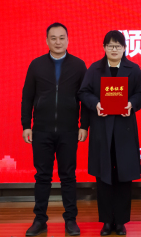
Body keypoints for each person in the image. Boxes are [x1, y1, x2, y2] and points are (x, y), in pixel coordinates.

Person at [21, 22, 89, 237]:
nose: (58, 42)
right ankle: (40, 220)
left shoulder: (78, 65)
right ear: (47, 40)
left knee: (68, 176)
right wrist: (26, 125)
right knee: (42, 176)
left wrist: (84, 125)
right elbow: (27, 97)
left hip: (69, 130)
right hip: (41, 130)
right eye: (53, 38)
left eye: (62, 38)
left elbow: (85, 98)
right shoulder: (36, 65)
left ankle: (71, 220)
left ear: (68, 40)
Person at [78, 30, 141, 236]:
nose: (114, 49)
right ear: (104, 48)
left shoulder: (133, 69)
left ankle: (121, 221)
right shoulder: (94, 69)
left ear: (125, 48)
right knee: (104, 176)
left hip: (124, 129)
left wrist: (131, 104)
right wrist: (96, 104)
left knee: (124, 177)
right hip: (102, 129)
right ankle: (107, 221)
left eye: (118, 46)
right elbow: (83, 92)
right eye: (110, 45)